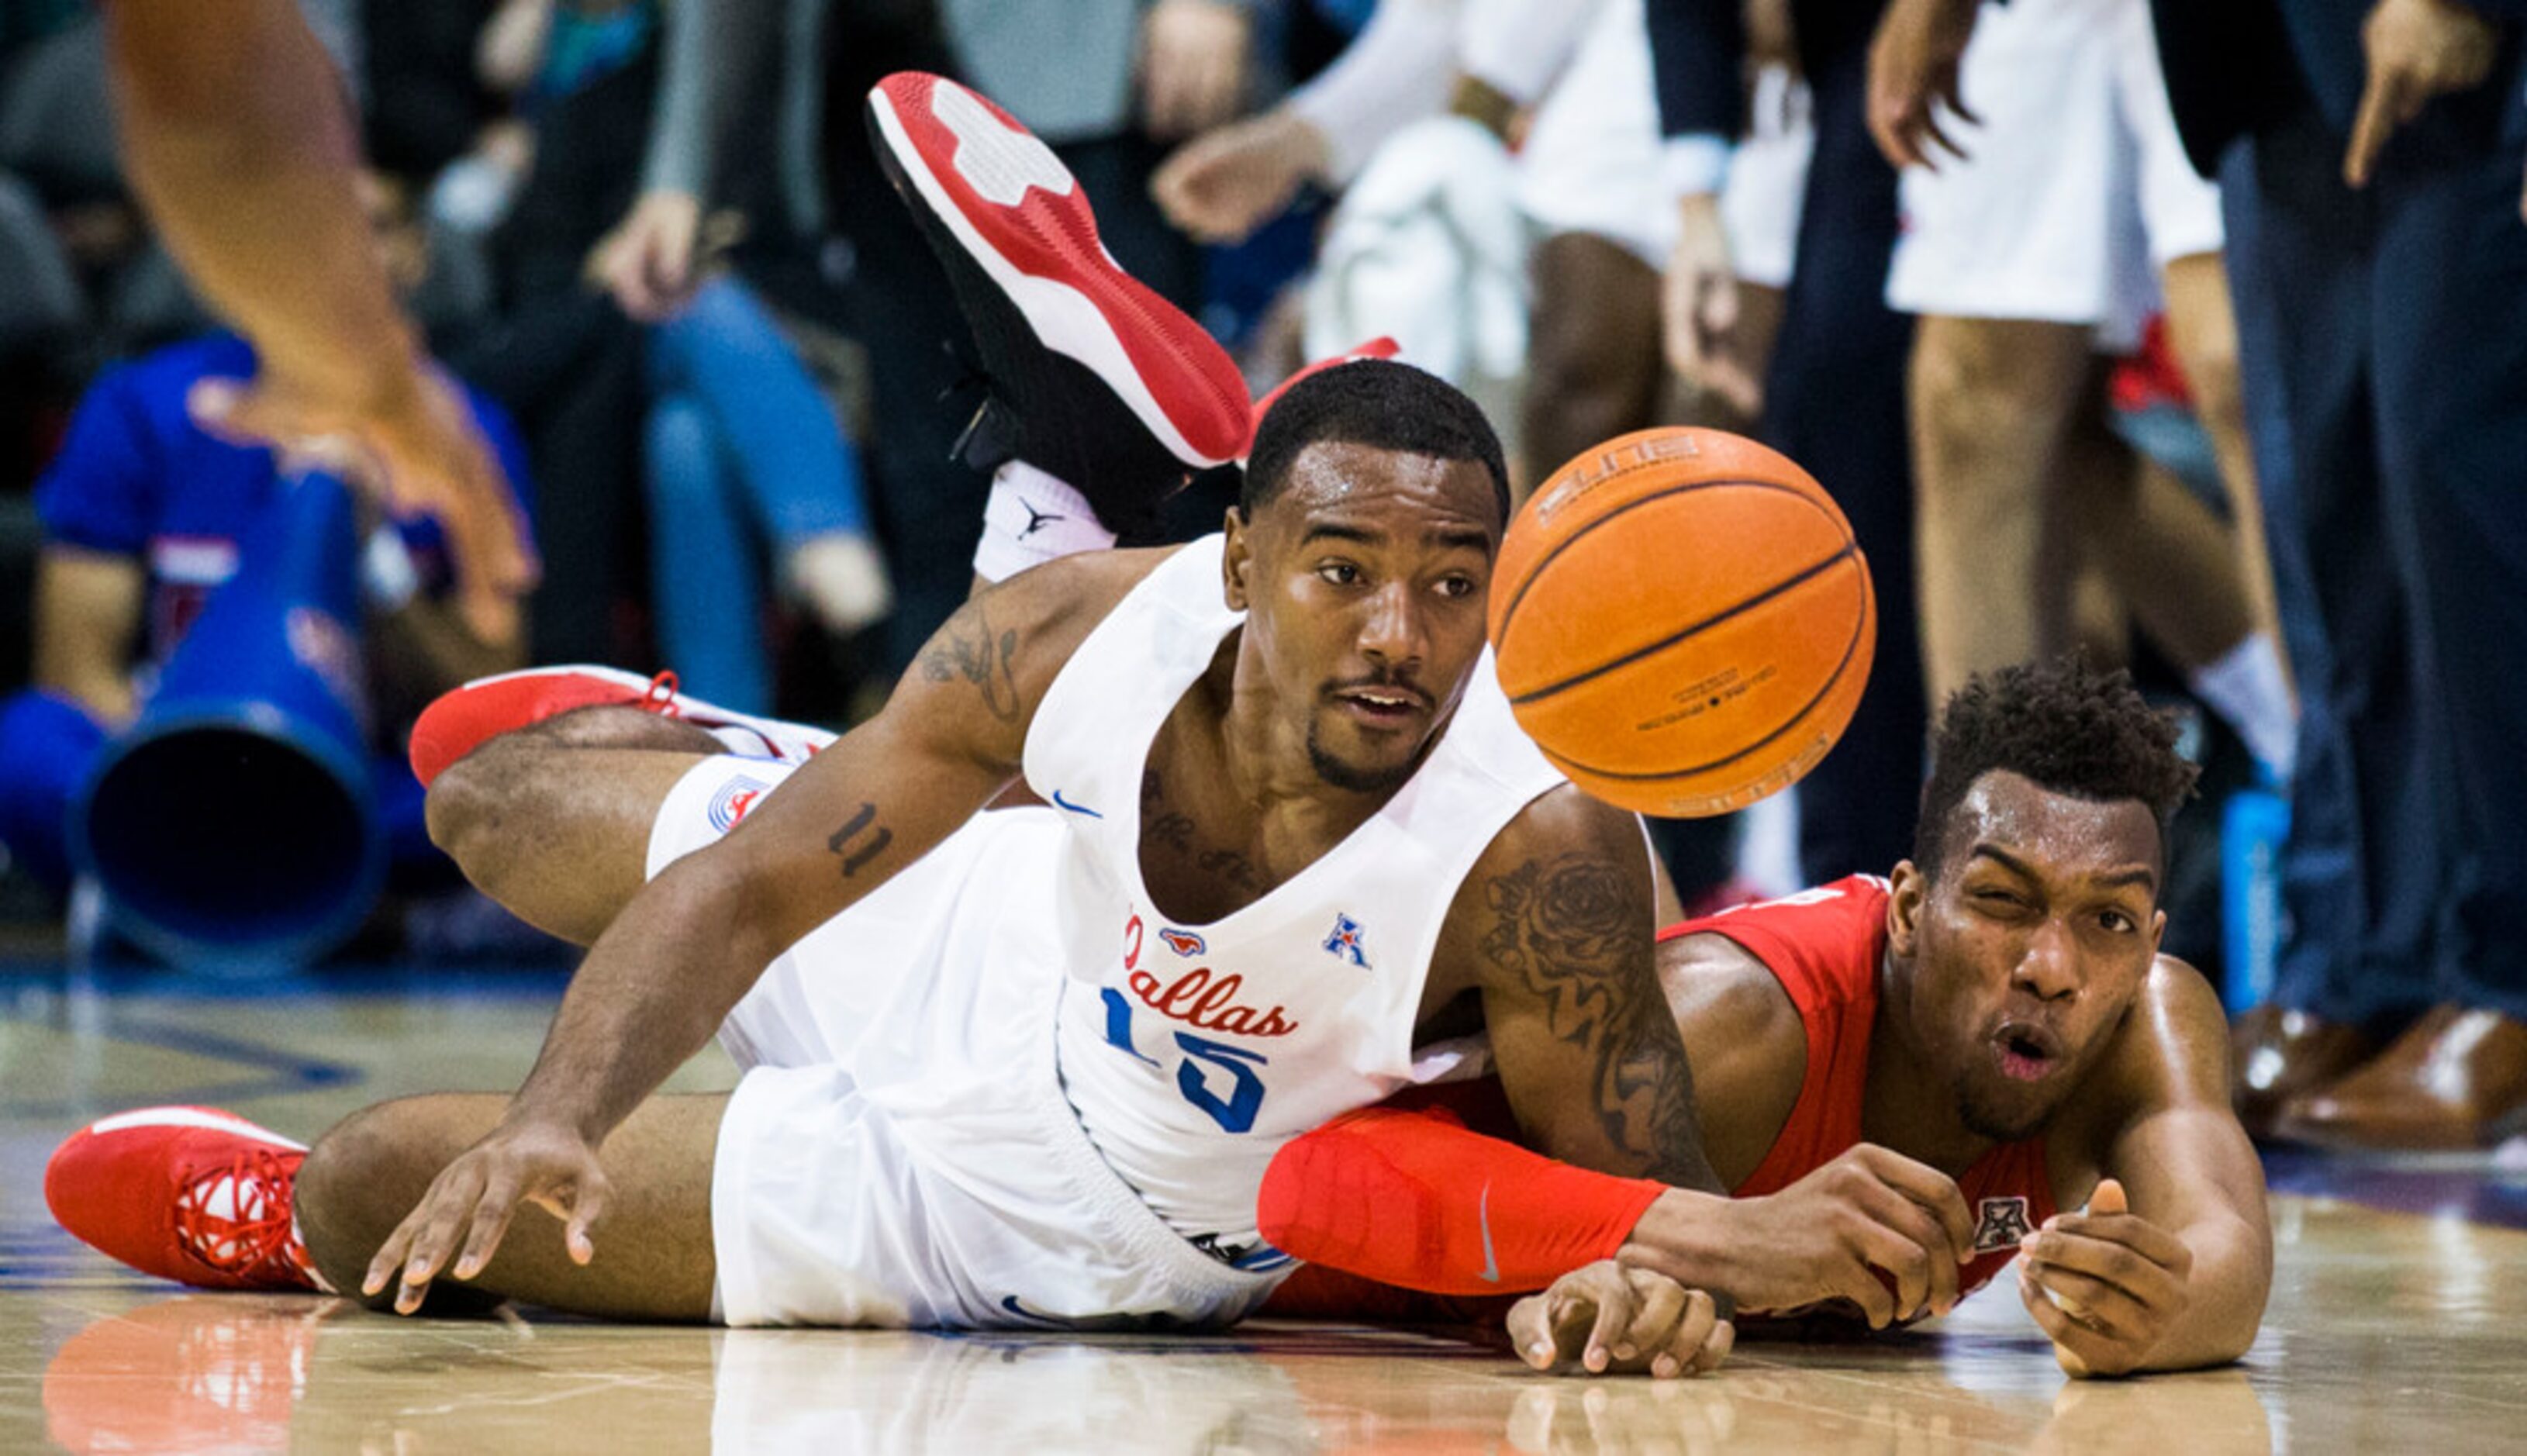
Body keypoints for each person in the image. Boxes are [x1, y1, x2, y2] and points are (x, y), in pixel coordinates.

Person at [46, 74, 1724, 1350]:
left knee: (363, 1190)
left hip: (1030, 1224)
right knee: (486, 788)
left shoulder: (1535, 845)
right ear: (1231, 562)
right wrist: (562, 1113)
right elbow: (759, 889)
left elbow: (1642, 1210)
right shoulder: (1086, 640)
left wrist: (1659, 1288)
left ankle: (276, 1211)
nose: (1399, 636)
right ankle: (967, 634)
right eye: (1342, 571)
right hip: (999, 950)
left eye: (1452, 585)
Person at [1258, 660, 2274, 1379]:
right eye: (2002, 900)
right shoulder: (1744, 1023)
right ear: (1911, 908)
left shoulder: (2139, 1022)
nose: (2051, 967)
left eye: (2104, 918)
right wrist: (1720, 1241)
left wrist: (2152, 1313)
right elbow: (1315, 1178)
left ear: (2147, 940)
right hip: (1236, 1272)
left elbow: (2221, 1250)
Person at [2146, 0, 2527, 1146]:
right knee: (2330, 505)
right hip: (2271, 49)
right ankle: (2368, 961)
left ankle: (2503, 976)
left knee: (2455, 476)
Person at [99, 0, 537, 648]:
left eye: (374, 228)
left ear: (421, 252)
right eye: (324, 217)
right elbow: (75, 680)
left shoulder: (471, 423)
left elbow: (494, 684)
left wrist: (377, 557)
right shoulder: (141, 404)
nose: (347, 250)